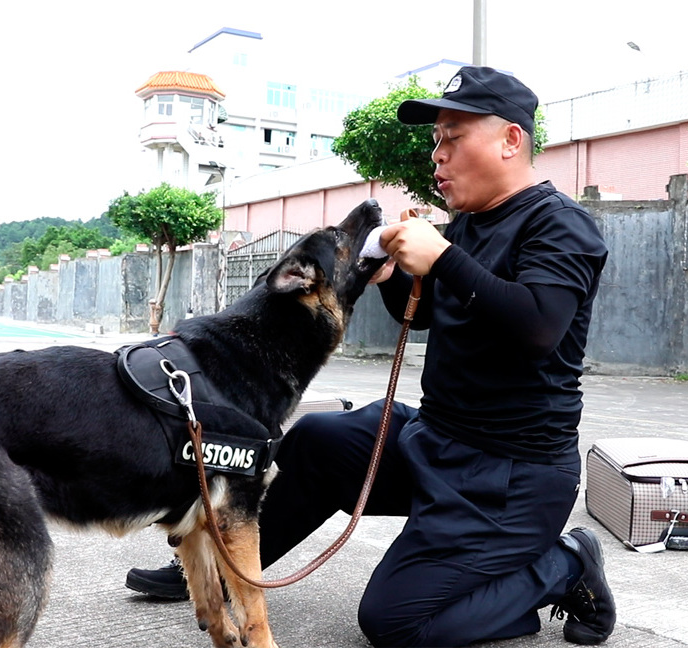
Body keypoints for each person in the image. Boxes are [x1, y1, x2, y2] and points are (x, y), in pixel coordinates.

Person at [126, 65, 614, 646]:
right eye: (436, 142)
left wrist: (443, 260)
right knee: (314, 442)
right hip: (437, 440)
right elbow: (435, 310)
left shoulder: (559, 226)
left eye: (453, 139)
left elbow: (538, 327)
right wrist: (390, 276)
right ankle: (225, 573)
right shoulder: (468, 226)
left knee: (395, 622)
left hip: (510, 475)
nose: (438, 156)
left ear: (511, 140)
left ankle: (563, 565)